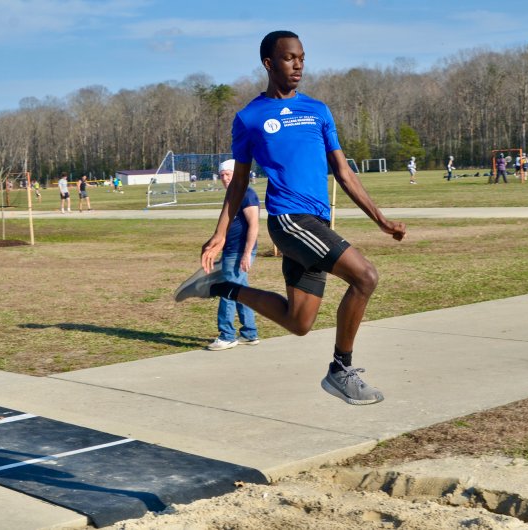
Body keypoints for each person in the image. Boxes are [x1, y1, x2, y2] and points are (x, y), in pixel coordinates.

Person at [174, 30, 406, 406]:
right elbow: (239, 184)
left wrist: (381, 219)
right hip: (289, 221)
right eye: (288, 58)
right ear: (269, 63)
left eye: (301, 57)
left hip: (317, 223)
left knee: (299, 322)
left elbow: (344, 174)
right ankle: (340, 370)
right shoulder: (249, 118)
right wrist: (219, 234)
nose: (298, 64)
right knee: (365, 276)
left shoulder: (318, 111)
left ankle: (221, 287)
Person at [206, 159, 261, 351]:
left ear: (237, 174)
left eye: (228, 174)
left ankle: (227, 335)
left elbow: (254, 225)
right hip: (230, 250)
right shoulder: (232, 195)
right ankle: (249, 333)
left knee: (227, 291)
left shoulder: (247, 194)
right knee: (240, 292)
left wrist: (247, 253)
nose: (225, 179)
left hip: (239, 251)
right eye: (222, 175)